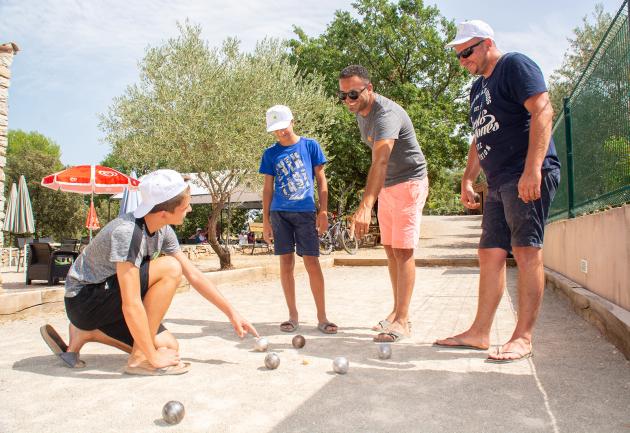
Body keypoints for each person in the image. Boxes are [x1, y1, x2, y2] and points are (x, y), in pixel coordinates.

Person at [40, 169, 258, 375]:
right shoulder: (128, 233)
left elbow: (194, 275)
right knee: (171, 268)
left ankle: (88, 332)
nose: (189, 210)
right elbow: (131, 302)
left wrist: (232, 313)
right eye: (185, 207)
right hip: (85, 301)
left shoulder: (163, 229)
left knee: (170, 347)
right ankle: (138, 358)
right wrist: (151, 357)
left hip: (106, 302)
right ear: (163, 213)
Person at [435, 20, 561, 362]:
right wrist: (467, 179)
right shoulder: (478, 89)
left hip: (525, 173)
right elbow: (479, 137)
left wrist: (532, 169)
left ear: (487, 43)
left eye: (467, 52)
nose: (462, 60)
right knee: (489, 253)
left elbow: (543, 109)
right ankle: (479, 333)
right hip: (496, 181)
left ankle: (523, 337)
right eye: (458, 55)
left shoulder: (514, 65)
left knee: (526, 251)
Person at [338, 65, 429, 343]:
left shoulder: (386, 114)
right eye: (343, 96)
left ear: (369, 88)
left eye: (353, 94)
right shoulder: (360, 114)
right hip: (388, 186)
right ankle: (395, 312)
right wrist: (375, 196)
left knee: (403, 252)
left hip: (409, 183)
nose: (348, 101)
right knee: (390, 250)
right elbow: (376, 162)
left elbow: (381, 160)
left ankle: (403, 320)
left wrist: (366, 205)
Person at [259, 104, 337, 334]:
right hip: (279, 214)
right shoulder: (270, 154)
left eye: (283, 127)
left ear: (292, 121)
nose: (280, 133)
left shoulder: (310, 146)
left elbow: (322, 181)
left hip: (305, 212)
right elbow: (267, 189)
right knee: (286, 264)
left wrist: (323, 211)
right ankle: (292, 316)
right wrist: (265, 221)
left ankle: (322, 317)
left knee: (312, 262)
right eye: (275, 130)